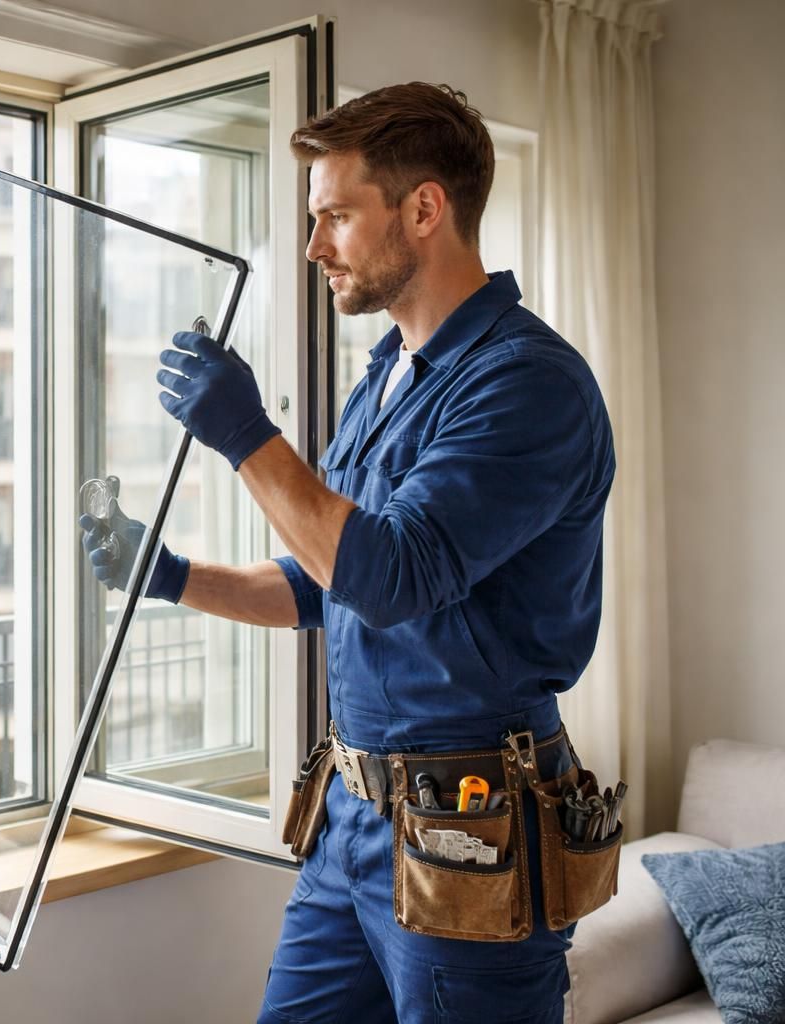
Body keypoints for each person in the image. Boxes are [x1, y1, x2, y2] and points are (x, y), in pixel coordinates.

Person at [78, 83, 615, 1024]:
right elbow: (327, 581)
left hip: (473, 837)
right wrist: (164, 575)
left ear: (422, 209)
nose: (317, 245)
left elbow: (391, 575)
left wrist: (245, 435)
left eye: (335, 216)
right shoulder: (385, 377)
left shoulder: (529, 386)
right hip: (352, 822)